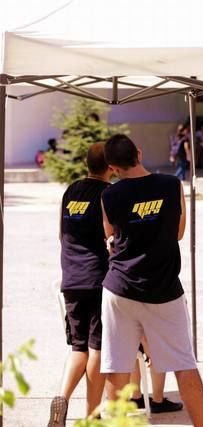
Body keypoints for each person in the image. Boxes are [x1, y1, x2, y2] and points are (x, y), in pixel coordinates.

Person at [100, 134, 203, 427]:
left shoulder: (109, 195)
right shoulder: (171, 185)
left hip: (120, 288)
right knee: (184, 365)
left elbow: (110, 236)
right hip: (164, 289)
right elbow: (179, 232)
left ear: (113, 168)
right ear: (139, 152)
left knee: (116, 368)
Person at [48, 143, 111, 427]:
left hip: (71, 279)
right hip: (97, 279)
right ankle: (92, 414)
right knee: (97, 347)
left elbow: (61, 234)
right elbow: (112, 238)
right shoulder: (107, 194)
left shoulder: (71, 191)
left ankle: (61, 399)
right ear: (111, 167)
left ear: (87, 164)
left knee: (78, 347)